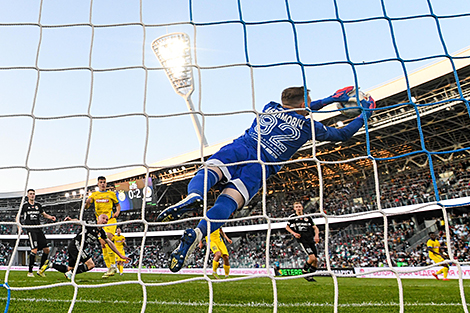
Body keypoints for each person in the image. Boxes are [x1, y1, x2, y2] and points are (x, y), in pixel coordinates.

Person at [157, 86, 375, 272]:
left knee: (209, 172)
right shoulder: (308, 126)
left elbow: (302, 108)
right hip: (261, 165)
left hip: (241, 147)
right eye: (307, 102)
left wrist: (333, 99)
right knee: (229, 201)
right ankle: (197, 233)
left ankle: (194, 195)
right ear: (302, 103)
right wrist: (363, 115)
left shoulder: (270, 107)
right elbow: (342, 135)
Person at [39, 214, 130, 280]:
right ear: (98, 218)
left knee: (70, 268)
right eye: (103, 218)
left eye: (106, 219)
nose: (105, 221)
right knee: (91, 265)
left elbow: (110, 243)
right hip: (76, 245)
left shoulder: (101, 232)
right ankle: (70, 274)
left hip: (76, 246)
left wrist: (120, 255)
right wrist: (71, 220)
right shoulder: (91, 224)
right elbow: (79, 222)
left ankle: (50, 265)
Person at [85, 176, 121, 278]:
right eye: (101, 182)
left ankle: (113, 265)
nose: (103, 184)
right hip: (100, 224)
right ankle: (109, 268)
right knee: (103, 244)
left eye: (104, 182)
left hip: (110, 220)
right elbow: (86, 207)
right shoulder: (94, 195)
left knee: (108, 239)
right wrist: (87, 203)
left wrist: (117, 212)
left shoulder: (111, 194)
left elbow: (118, 205)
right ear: (98, 184)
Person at [20, 189, 56, 277]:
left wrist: (50, 217)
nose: (32, 195)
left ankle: (40, 270)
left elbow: (43, 214)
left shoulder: (38, 205)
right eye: (30, 194)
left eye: (33, 194)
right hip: (31, 229)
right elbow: (18, 216)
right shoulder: (24, 206)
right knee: (34, 250)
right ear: (27, 196)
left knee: (47, 250)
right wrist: (19, 226)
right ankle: (30, 272)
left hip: (38, 229)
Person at [285, 201, 320, 282]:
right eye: (296, 207)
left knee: (316, 260)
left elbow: (315, 227)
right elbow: (287, 227)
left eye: (299, 206)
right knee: (311, 257)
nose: (298, 208)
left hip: (310, 239)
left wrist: (316, 235)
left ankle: (310, 276)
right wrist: (294, 233)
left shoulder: (307, 217)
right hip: (302, 240)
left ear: (302, 207)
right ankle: (304, 272)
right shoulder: (292, 217)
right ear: (294, 208)